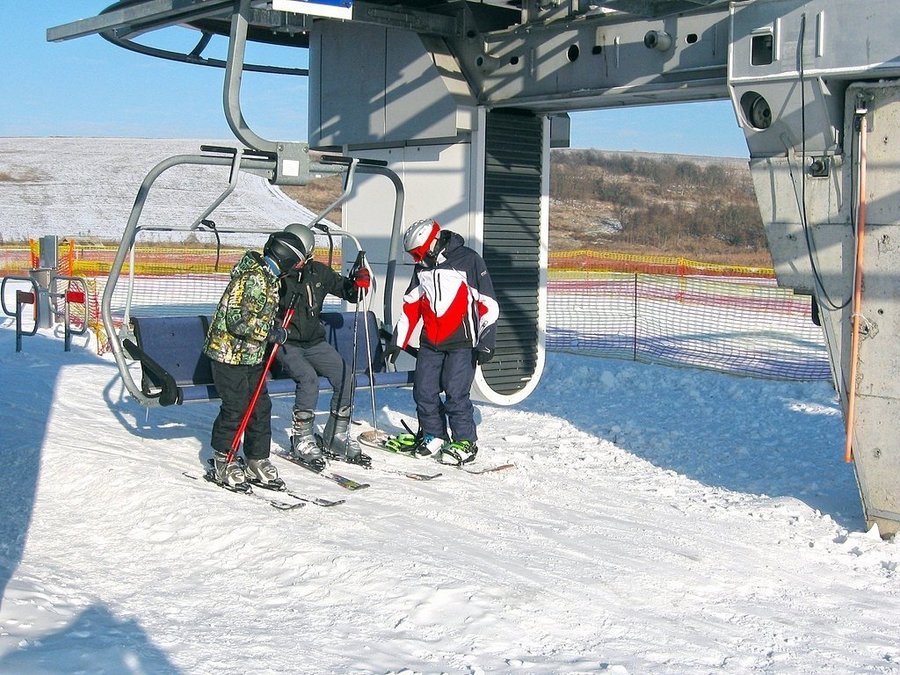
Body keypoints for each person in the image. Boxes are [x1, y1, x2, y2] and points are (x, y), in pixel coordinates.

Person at [386, 218, 499, 465]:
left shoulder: (468, 260)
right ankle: (434, 435)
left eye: (419, 253)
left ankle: (465, 442)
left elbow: (488, 303)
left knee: (456, 393)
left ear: (434, 242)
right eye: (414, 255)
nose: (418, 259)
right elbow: (411, 306)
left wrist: (486, 340)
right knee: (424, 391)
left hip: (462, 342)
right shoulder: (423, 268)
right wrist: (398, 341)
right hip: (430, 342)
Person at [203, 230, 307, 491]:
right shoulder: (252, 278)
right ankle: (223, 459)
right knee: (236, 407)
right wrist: (269, 332)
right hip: (228, 354)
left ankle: (256, 458)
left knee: (261, 408)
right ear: (285, 258)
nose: (295, 268)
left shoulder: (270, 278)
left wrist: (275, 329)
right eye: (295, 262)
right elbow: (237, 320)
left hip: (251, 354)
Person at [274, 223, 372, 470]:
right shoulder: (277, 277)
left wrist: (357, 284)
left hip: (314, 342)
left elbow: (348, 292)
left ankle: (335, 435)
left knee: (345, 375)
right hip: (287, 342)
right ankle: (302, 437)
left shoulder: (318, 273)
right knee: (308, 379)